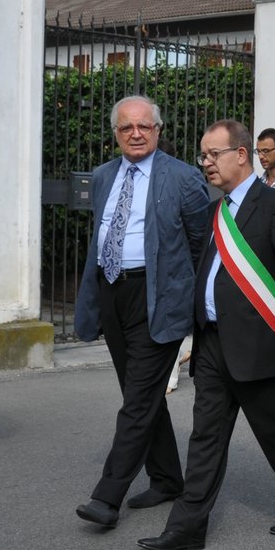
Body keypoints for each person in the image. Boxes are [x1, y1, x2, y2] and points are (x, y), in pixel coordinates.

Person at [137, 120, 275, 550]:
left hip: (260, 346)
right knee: (205, 436)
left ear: (241, 155)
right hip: (214, 347)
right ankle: (186, 528)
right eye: (202, 155)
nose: (205, 163)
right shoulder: (214, 211)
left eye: (212, 154)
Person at [74, 96, 209, 527]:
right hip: (113, 292)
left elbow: (198, 245)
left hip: (158, 298)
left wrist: (184, 297)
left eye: (144, 127)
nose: (136, 133)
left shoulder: (184, 178)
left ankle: (107, 497)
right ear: (116, 134)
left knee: (137, 400)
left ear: (158, 130)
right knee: (142, 395)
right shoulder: (102, 177)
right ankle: (168, 478)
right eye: (127, 127)